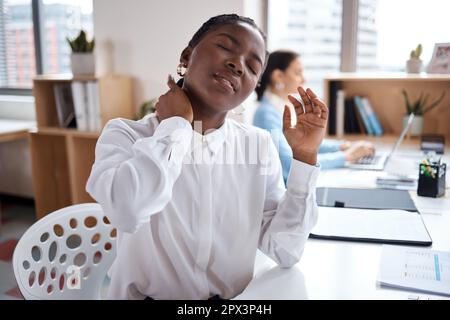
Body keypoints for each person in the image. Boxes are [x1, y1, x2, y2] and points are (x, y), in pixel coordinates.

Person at [86, 14, 329, 300]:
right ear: (187, 56)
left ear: (253, 87)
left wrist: (304, 157)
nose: (238, 65)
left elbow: (285, 250)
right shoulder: (126, 134)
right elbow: (127, 211)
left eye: (252, 67)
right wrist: (176, 126)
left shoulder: (258, 145)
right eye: (225, 47)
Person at [253, 50, 375, 183]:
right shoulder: (266, 114)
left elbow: (304, 143)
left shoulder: (280, 107)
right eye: (298, 73)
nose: (304, 79)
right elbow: (289, 164)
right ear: (278, 76)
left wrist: (342, 146)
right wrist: (347, 156)